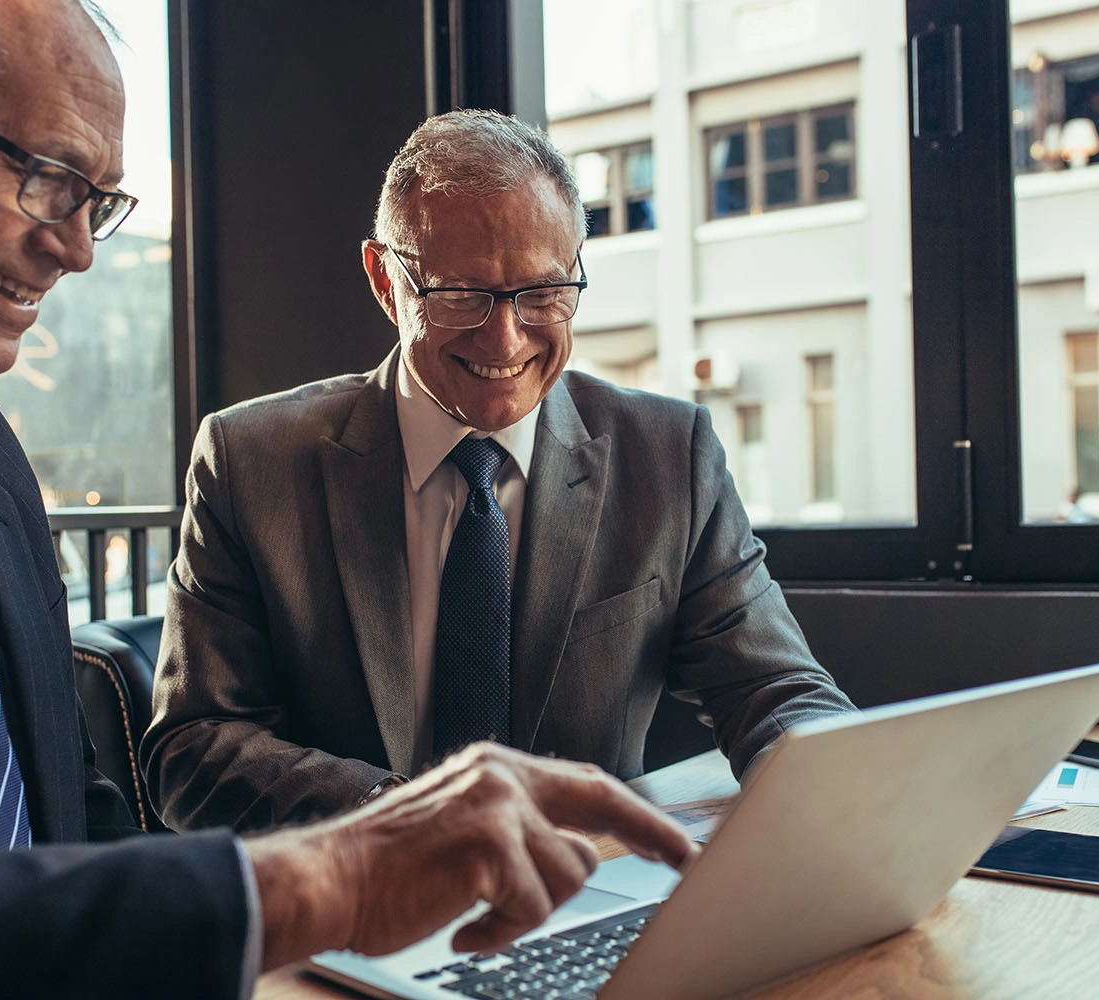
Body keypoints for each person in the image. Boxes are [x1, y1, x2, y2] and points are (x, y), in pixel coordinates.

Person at [0, 2, 695, 995]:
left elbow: (68, 820)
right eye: (49, 177)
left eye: (98, 201)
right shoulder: (231, 453)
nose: (80, 250)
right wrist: (326, 875)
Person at [142, 110, 856, 832]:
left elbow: (774, 688)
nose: (506, 338)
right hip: (351, 904)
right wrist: (406, 816)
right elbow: (194, 750)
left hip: (580, 894)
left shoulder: (670, 455)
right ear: (386, 281)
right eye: (461, 295)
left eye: (544, 293)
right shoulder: (249, 460)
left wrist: (850, 796)